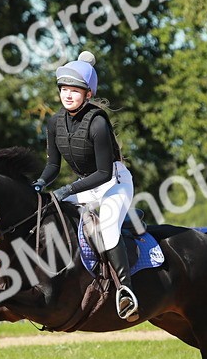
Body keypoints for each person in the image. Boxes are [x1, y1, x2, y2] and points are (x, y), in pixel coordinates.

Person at [33, 51, 140, 321]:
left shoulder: (98, 123)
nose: (68, 95)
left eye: (75, 90)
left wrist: (68, 191)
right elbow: (54, 166)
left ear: (88, 94)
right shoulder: (55, 122)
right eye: (64, 90)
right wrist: (41, 182)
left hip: (114, 182)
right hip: (84, 186)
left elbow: (104, 173)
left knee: (107, 224)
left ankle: (125, 290)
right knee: (49, 217)